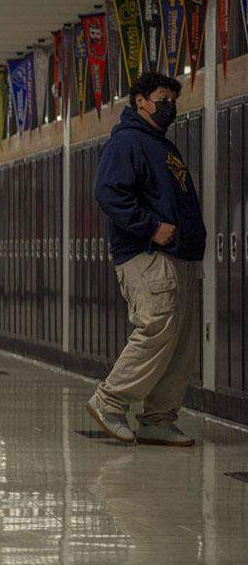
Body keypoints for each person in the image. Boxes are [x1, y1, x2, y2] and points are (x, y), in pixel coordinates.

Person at [87, 72, 204, 447]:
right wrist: (151, 227)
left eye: (172, 97)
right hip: (147, 253)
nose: (168, 104)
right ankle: (110, 401)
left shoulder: (162, 145)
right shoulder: (128, 142)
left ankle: (158, 418)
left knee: (181, 343)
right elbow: (108, 193)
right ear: (140, 100)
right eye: (161, 97)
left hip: (179, 253)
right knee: (156, 327)